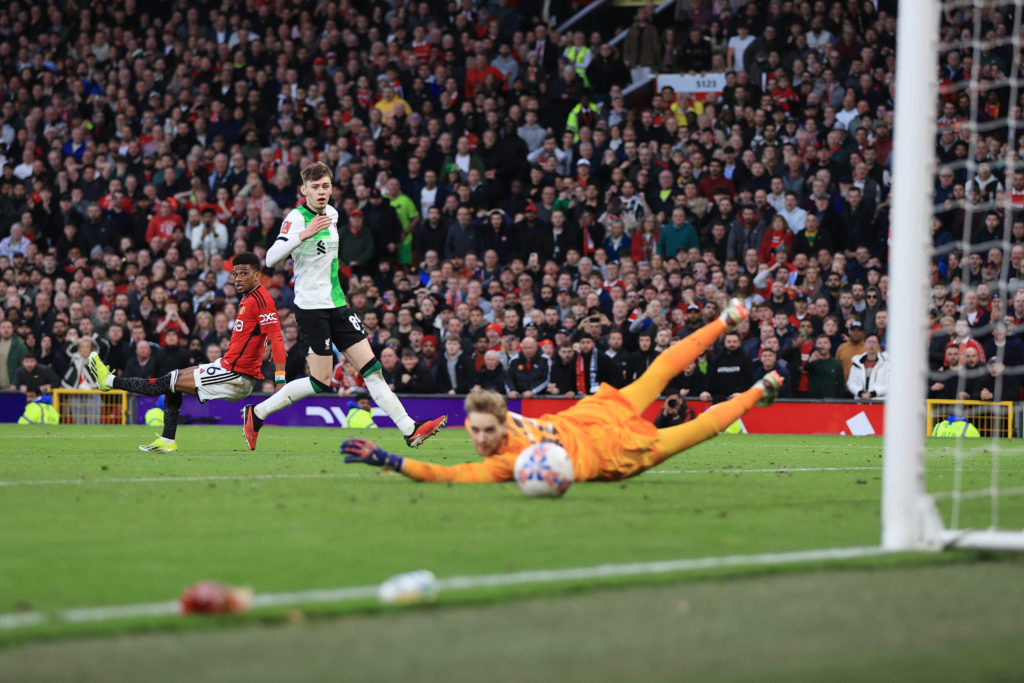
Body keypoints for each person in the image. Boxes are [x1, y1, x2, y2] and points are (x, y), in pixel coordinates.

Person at [340, 299, 785, 484]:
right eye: (473, 431)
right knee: (688, 416)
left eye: (482, 432)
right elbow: (451, 471)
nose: (476, 440)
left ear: (501, 423)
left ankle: (729, 328)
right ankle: (758, 384)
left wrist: (391, 460)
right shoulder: (507, 436)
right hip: (602, 436)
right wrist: (391, 460)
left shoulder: (508, 461)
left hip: (602, 437)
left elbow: (451, 477)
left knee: (663, 377)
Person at [243, 162, 446, 449]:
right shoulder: (296, 219)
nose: (321, 191)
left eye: (326, 185)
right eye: (315, 187)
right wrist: (304, 234)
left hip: (337, 304)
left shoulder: (334, 214)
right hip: (311, 308)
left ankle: (410, 429)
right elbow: (272, 258)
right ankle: (257, 413)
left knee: (373, 369)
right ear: (304, 190)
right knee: (321, 381)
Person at [87, 253, 286, 452]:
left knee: (168, 382)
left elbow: (277, 338)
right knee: (175, 383)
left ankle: (110, 382)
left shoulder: (262, 300)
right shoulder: (248, 297)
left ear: (258, 276)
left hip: (235, 375)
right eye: (235, 274)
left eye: (244, 273)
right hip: (226, 366)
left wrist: (280, 379)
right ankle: (167, 441)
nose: (238, 279)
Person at [846, 333, 890, 400]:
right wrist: (860, 393)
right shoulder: (857, 363)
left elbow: (889, 385)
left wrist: (872, 393)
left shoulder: (886, 364)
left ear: (878, 345)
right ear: (865, 344)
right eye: (869, 342)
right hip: (860, 402)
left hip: (878, 403)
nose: (871, 344)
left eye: (874, 342)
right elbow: (851, 383)